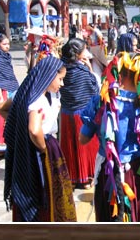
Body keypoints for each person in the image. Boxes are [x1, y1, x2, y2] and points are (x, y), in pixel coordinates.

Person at [79, 51, 140, 222]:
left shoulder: (101, 102)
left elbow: (83, 138)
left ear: (119, 73)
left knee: (111, 215)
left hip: (109, 173)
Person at [2, 56, 76, 222]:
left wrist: (19, 124)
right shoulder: (38, 99)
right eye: (60, 79)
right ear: (48, 76)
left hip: (31, 146)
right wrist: (44, 148)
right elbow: (35, 131)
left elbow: (3, 108)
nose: (62, 84)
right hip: (41, 148)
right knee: (43, 191)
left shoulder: (27, 91)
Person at [59, 38, 100, 190]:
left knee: (69, 145)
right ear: (77, 54)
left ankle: (72, 177)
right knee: (84, 146)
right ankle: (86, 177)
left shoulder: (62, 67)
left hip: (65, 113)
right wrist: (89, 68)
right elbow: (94, 90)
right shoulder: (81, 71)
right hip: (81, 113)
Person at [0, 33, 19, 154]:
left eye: (8, 44)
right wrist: (0, 97)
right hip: (2, 91)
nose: (7, 46)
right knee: (1, 119)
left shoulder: (7, 57)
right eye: (4, 44)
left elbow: (10, 74)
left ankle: (8, 142)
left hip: (12, 88)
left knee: (12, 116)